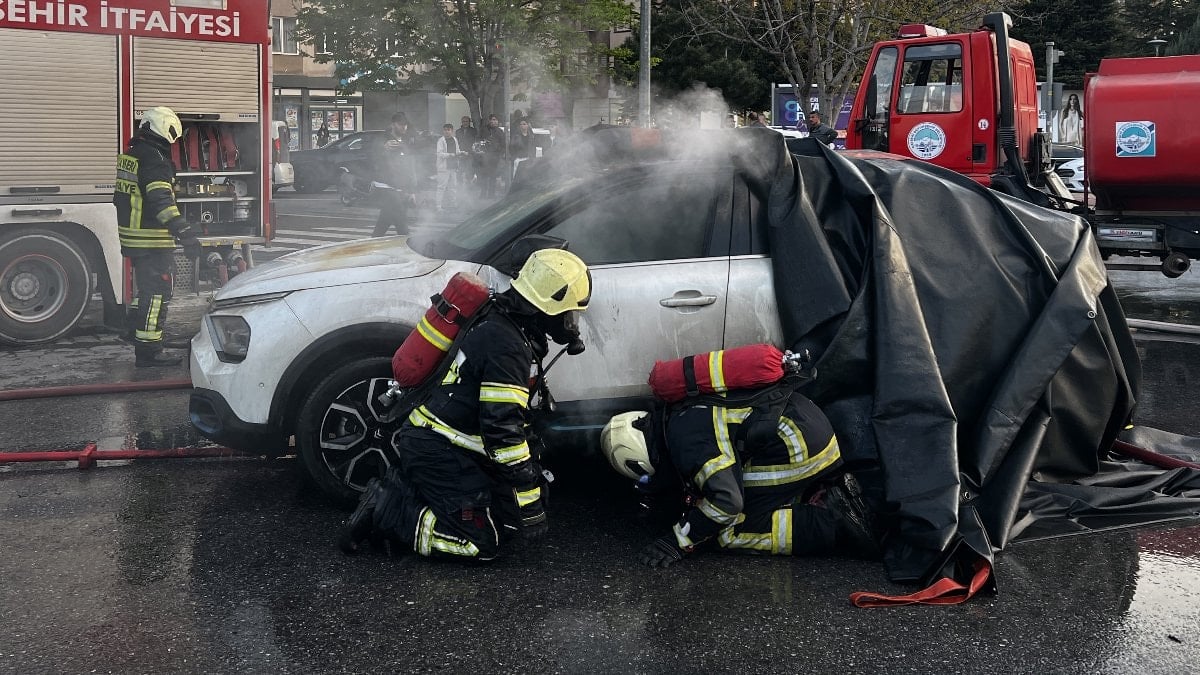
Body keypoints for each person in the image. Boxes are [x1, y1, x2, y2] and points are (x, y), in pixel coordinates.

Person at [339, 249, 593, 560]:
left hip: (445, 440)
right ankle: (387, 510)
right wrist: (529, 502)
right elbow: (502, 430)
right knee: (482, 544)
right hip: (439, 447)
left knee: (509, 518)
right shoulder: (508, 347)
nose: (571, 325)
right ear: (549, 307)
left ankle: (413, 491)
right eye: (569, 314)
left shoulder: (501, 319)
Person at [600, 386, 881, 568]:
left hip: (800, 449)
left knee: (728, 530)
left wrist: (678, 540)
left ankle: (831, 522)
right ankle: (815, 494)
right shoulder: (678, 413)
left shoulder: (687, 444)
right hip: (806, 426)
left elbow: (727, 502)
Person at [113, 106, 202, 367]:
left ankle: (134, 328)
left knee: (147, 288)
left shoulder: (133, 154)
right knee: (158, 290)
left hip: (133, 235)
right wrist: (184, 232)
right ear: (165, 128)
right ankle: (149, 350)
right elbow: (160, 200)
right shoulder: (155, 158)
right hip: (150, 238)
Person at [371, 112, 420, 237]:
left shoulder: (405, 142)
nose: (403, 127)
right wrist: (383, 148)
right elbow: (371, 156)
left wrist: (412, 190)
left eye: (405, 125)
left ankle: (372, 246)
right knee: (402, 225)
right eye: (400, 124)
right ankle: (409, 249)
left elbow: (410, 168)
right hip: (385, 187)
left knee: (383, 223)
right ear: (393, 124)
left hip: (400, 189)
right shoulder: (382, 139)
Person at [434, 123, 466, 210]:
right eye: (445, 130)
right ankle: (438, 206)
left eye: (448, 130)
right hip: (444, 167)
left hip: (453, 166)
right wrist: (450, 155)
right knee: (441, 187)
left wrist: (462, 153)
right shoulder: (441, 141)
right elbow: (439, 154)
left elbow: (457, 151)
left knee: (453, 186)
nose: (446, 132)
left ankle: (453, 204)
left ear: (452, 131)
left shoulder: (454, 139)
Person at [476, 114, 507, 198]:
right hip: (484, 157)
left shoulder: (500, 132)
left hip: (495, 157)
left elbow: (503, 145)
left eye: (495, 120)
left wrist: (499, 153)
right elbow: (478, 140)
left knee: (493, 176)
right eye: (492, 120)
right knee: (483, 176)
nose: (493, 121)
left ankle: (491, 194)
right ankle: (483, 193)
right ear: (489, 121)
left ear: (498, 121)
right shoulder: (484, 130)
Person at [455, 116, 478, 188]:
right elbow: (457, 142)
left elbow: (475, 142)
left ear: (469, 122)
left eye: (466, 121)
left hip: (470, 154)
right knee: (459, 170)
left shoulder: (473, 131)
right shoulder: (458, 131)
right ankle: (460, 185)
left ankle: (469, 185)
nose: (465, 123)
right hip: (461, 154)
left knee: (469, 170)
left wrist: (471, 152)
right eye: (463, 121)